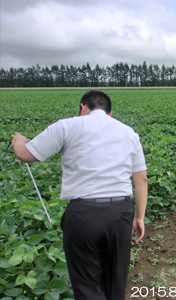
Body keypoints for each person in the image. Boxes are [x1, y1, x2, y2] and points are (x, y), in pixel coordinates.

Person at [11, 90, 148, 300]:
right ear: (110, 113)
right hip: (120, 213)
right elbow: (141, 179)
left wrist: (19, 140)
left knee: (87, 283)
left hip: (84, 214)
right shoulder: (128, 132)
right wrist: (138, 217)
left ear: (83, 107)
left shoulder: (67, 125)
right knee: (116, 280)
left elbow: (25, 154)